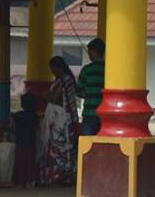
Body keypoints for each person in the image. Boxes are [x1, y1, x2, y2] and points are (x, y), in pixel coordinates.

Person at [38, 54, 78, 186]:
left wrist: (47, 96)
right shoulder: (61, 80)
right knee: (56, 148)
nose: (52, 72)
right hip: (57, 119)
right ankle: (56, 176)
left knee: (62, 148)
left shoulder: (65, 80)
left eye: (53, 69)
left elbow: (55, 98)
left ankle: (64, 176)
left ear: (59, 67)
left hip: (63, 120)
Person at [77, 38, 106, 137]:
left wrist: (87, 92)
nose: (88, 55)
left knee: (87, 144)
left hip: (89, 113)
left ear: (94, 51)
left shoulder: (86, 70)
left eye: (89, 52)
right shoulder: (109, 70)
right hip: (105, 114)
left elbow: (79, 92)